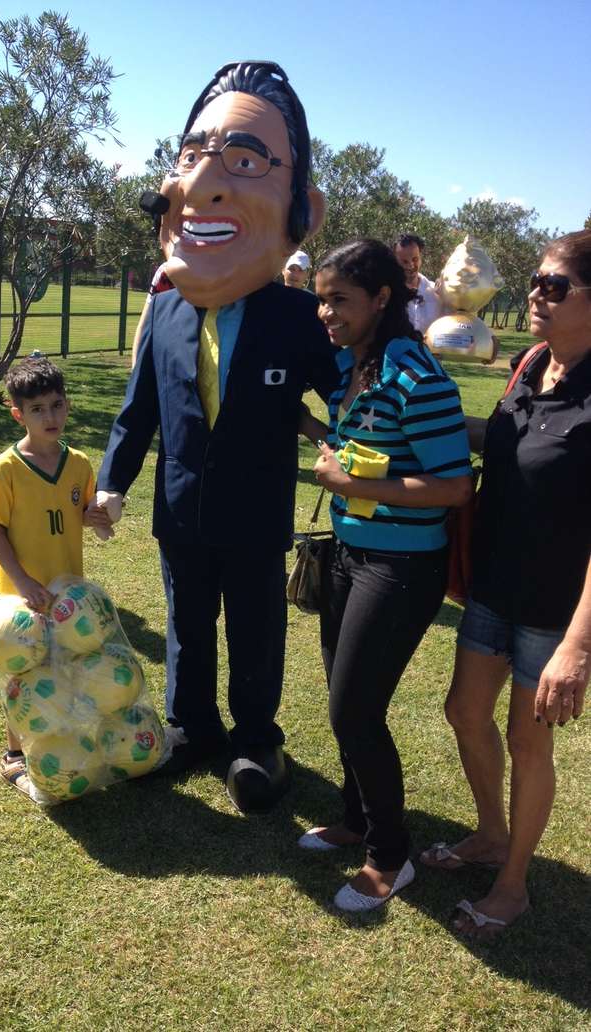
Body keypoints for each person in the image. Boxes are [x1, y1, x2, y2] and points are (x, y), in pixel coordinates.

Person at [90, 61, 337, 814]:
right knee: (187, 627)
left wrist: (353, 440)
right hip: (182, 508)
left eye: (243, 160)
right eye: (194, 156)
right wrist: (111, 482)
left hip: (257, 513)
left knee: (256, 632)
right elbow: (138, 413)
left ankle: (256, 739)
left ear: (300, 206)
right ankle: (191, 726)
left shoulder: (296, 318)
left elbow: (346, 393)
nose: (204, 183)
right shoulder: (165, 312)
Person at [421, 229, 591, 939]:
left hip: (554, 612)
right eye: (535, 281)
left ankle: (513, 882)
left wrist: (577, 648)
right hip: (492, 584)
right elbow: (503, 445)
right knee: (464, 711)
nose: (535, 293)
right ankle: (491, 833)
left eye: (555, 286)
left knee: (529, 744)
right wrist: (421, 423)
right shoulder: (528, 366)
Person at [300, 239, 472, 912]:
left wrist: (345, 475)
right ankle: (356, 819)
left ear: (381, 299)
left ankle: (390, 856)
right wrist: (316, 430)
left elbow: (453, 487)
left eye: (339, 299)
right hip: (349, 554)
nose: (325, 313)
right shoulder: (355, 369)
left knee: (355, 708)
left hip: (401, 568)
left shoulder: (417, 378)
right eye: (321, 298)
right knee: (346, 703)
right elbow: (364, 451)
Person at [0, 357, 111, 797]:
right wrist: (21, 581)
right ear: (18, 414)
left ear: (67, 406)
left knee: (65, 664)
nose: (49, 417)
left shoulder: (80, 464)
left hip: (68, 593)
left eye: (56, 405)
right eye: (37, 409)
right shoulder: (6, 468)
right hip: (21, 598)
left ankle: (61, 739)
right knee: (24, 674)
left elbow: (92, 518)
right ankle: (15, 755)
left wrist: (99, 517)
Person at [393, 233, 441, 335]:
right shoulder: (388, 294)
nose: (411, 265)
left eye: (415, 259)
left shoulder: (436, 293)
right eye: (404, 262)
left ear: (421, 257)